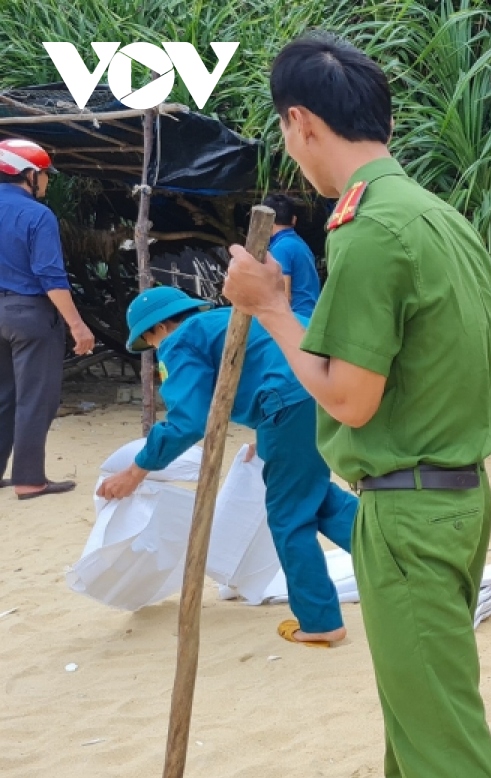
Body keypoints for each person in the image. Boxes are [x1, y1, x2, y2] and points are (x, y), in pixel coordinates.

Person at [220, 33, 491, 778]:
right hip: (455, 495)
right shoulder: (434, 212)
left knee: (444, 729)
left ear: (300, 123)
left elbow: (348, 398)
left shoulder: (369, 226)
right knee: (414, 695)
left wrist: (270, 307)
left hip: (409, 503)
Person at [96, 286, 357, 647]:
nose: (155, 350)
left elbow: (188, 421)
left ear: (155, 331)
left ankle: (319, 620)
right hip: (325, 387)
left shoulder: (178, 341)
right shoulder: (224, 321)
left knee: (288, 515)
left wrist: (136, 470)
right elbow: (267, 363)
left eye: (150, 342)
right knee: (310, 492)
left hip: (289, 401)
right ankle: (393, 554)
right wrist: (268, 438)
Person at [0, 138, 95, 499]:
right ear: (27, 174)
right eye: (44, 175)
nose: (47, 182)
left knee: (3, 396)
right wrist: (77, 324)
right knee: (34, 398)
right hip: (28, 315)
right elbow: (50, 276)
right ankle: (28, 479)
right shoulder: (37, 215)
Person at [262, 193, 322, 318]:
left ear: (265, 220)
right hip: (309, 317)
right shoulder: (298, 243)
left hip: (296, 318)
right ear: (294, 220)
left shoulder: (281, 248)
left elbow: (284, 297)